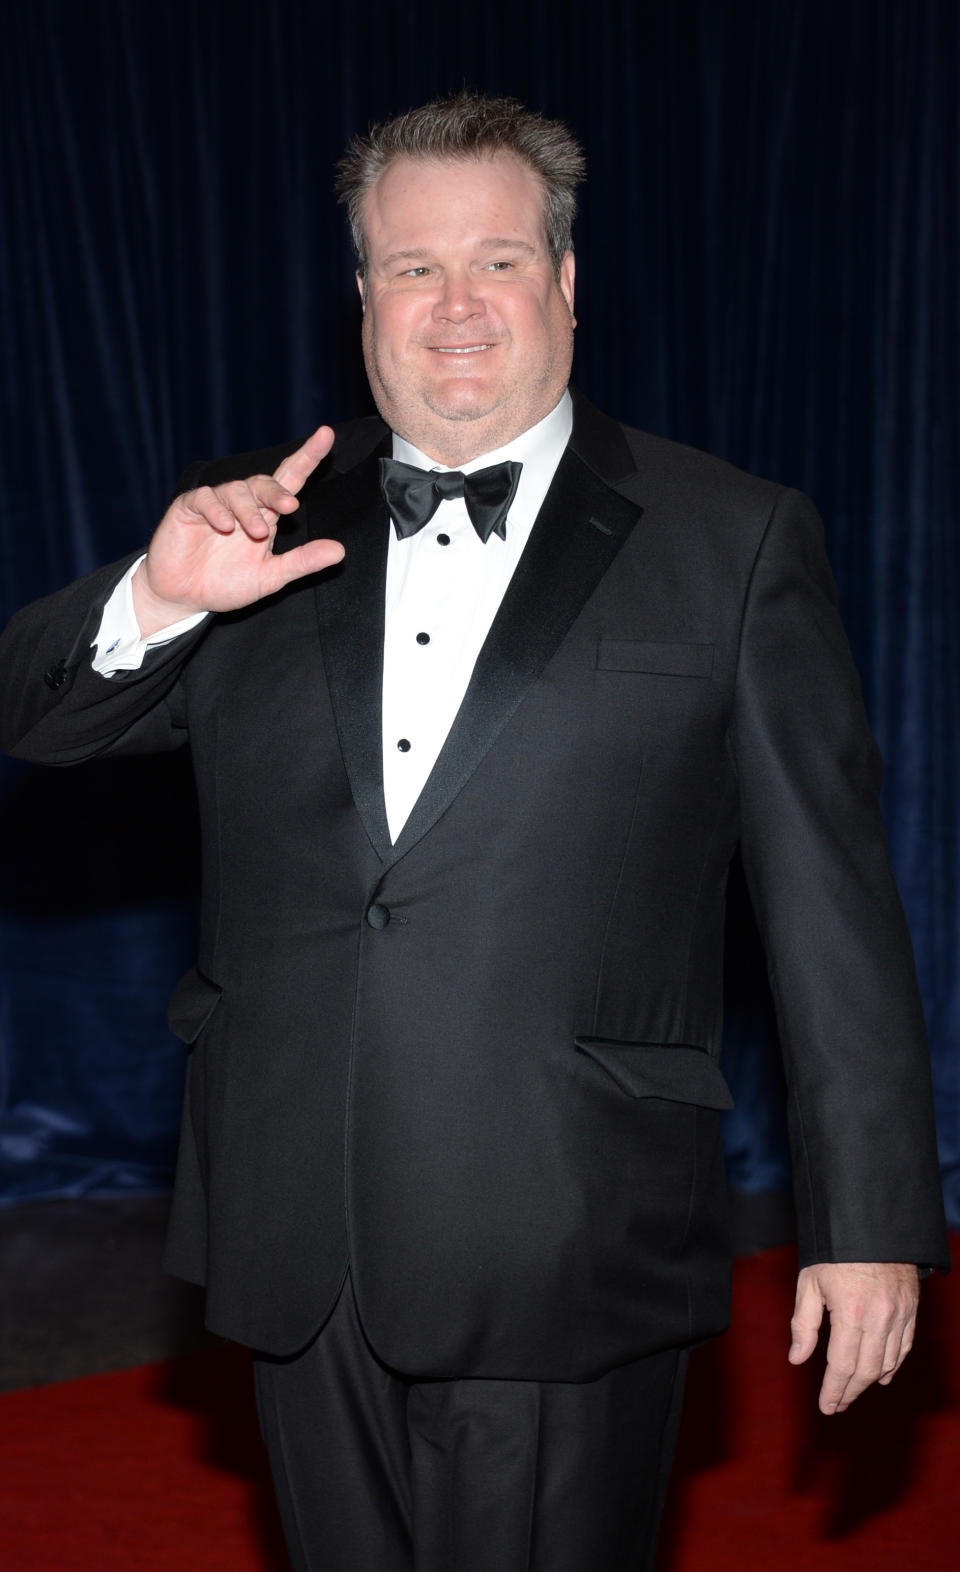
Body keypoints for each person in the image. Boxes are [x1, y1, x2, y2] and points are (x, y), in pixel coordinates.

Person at [0, 92, 949, 1572]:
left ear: (565, 285)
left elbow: (833, 910)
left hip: (569, 1231)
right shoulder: (262, 536)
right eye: (412, 267)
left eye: (497, 261)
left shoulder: (734, 539)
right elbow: (38, 720)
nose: (455, 308)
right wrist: (162, 592)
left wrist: (870, 1216)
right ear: (363, 295)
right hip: (293, 1230)